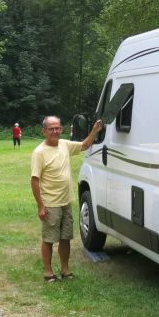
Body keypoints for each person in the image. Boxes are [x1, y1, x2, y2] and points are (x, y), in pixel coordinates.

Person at [30, 115, 102, 282]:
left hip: (65, 202)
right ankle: (48, 272)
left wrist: (94, 130)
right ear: (44, 131)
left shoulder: (64, 145)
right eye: (51, 129)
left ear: (61, 129)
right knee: (48, 239)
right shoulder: (39, 152)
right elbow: (35, 180)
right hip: (50, 204)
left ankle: (65, 269)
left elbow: (84, 145)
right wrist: (40, 206)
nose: (55, 131)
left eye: (57, 128)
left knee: (65, 238)